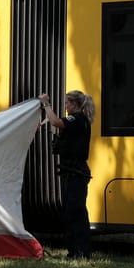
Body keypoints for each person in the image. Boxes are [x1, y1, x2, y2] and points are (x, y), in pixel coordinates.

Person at [42, 90, 94, 259]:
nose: (65, 106)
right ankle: (75, 251)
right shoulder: (78, 121)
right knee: (71, 212)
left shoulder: (78, 119)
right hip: (71, 171)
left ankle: (81, 251)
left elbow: (57, 122)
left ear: (75, 104)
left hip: (75, 172)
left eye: (67, 103)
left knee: (75, 212)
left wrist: (46, 104)